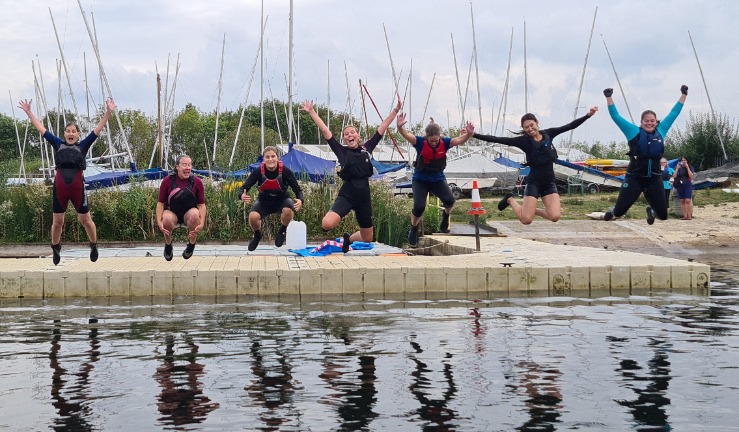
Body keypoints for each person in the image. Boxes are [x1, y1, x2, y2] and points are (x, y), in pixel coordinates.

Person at [17, 98, 116, 265]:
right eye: (68, 131)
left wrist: (107, 113)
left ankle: (93, 245)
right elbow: (41, 128)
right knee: (58, 223)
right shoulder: (57, 144)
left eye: (74, 131)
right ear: (64, 134)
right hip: (60, 189)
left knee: (85, 220)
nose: (71, 134)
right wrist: (28, 112)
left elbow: (97, 130)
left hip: (77, 189)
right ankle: (55, 247)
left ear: (78, 134)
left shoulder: (83, 145)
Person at [300, 95, 402, 252]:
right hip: (347, 194)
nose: (349, 135)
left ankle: (347, 239)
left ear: (358, 136)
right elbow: (325, 130)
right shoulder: (341, 151)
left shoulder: (366, 149)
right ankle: (334, 230)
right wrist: (312, 112)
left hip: (364, 197)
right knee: (327, 224)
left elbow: (383, 127)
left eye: (352, 132)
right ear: (344, 139)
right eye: (346, 134)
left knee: (367, 237)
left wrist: (395, 110)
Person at [473, 107, 598, 225]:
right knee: (526, 220)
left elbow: (570, 126)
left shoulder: (549, 134)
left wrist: (588, 115)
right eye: (526, 127)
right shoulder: (523, 141)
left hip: (549, 183)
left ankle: (530, 210)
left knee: (554, 217)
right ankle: (510, 200)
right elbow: (497, 139)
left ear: (537, 123)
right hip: (534, 182)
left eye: (531, 125)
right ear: (523, 128)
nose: (530, 129)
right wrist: (473, 134)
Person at [602, 85, 688, 224]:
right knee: (619, 212)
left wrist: (683, 95)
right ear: (641, 123)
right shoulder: (632, 131)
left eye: (652, 120)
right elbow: (616, 116)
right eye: (646, 121)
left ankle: (651, 210)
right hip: (634, 178)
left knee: (663, 216)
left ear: (656, 121)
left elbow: (674, 113)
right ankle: (614, 210)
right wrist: (609, 97)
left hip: (654, 179)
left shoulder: (661, 131)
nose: (649, 123)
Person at [396, 115, 475, 246]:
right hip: (420, 179)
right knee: (419, 207)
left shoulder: (445, 143)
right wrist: (399, 127)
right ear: (427, 137)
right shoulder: (420, 142)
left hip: (437, 178)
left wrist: (469, 134)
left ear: (439, 137)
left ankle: (445, 216)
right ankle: (414, 228)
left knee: (450, 200)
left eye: (436, 141)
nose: (434, 143)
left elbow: (460, 140)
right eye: (431, 141)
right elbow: (406, 135)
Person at [239, 146, 304, 251]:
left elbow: (298, 189)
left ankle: (282, 230)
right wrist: (242, 195)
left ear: (277, 158)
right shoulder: (258, 171)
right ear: (263, 159)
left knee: (289, 209)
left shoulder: (286, 171)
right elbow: (244, 187)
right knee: (253, 217)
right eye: (267, 157)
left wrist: (300, 200)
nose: (270, 159)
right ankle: (257, 235)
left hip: (282, 200)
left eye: (273, 156)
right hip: (264, 201)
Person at [156, 155, 207, 260]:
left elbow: (201, 205)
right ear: (177, 167)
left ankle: (191, 244)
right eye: (184, 165)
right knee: (165, 219)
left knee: (195, 214)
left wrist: (201, 223)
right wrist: (159, 222)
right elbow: (160, 204)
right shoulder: (167, 181)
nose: (188, 167)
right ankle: (168, 244)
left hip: (188, 214)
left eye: (189, 165)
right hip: (172, 213)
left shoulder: (197, 182)